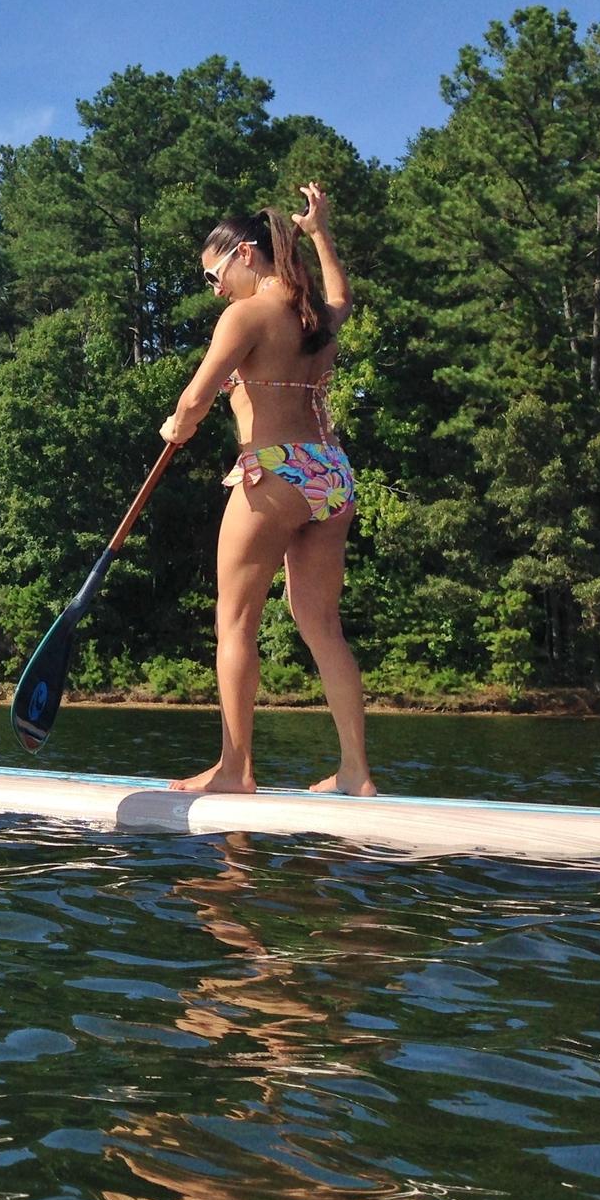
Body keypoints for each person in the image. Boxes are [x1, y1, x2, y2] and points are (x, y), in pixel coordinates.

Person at [157, 182, 373, 796]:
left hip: (273, 472)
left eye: (214, 274)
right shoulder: (315, 317)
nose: (215, 288)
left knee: (234, 624)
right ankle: (356, 772)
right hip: (330, 475)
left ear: (246, 254)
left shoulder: (248, 314)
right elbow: (341, 296)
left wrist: (181, 423)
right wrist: (321, 232)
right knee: (322, 625)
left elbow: (197, 395)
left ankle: (234, 770)